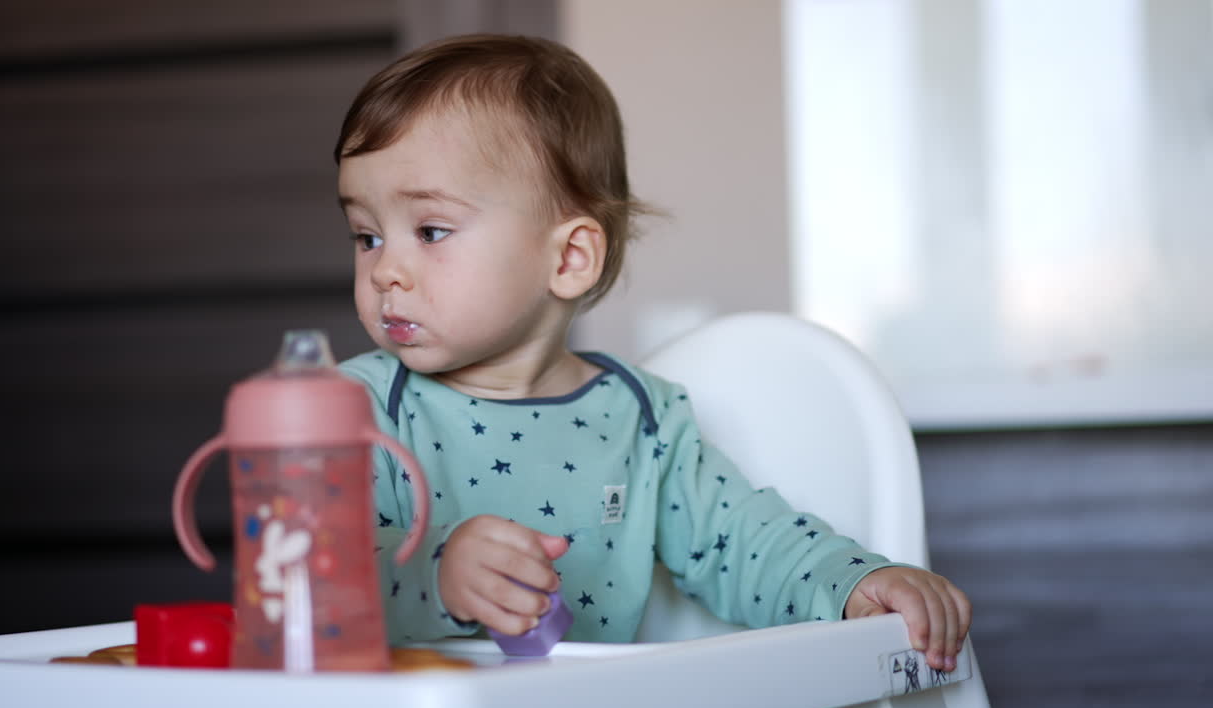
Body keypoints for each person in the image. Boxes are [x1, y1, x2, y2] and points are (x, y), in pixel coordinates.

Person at [333, 34, 970, 672]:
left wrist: (851, 583)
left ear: (569, 258)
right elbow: (314, 577)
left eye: (430, 230)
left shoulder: (643, 421)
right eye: (367, 236)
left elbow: (740, 539)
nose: (386, 269)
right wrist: (437, 573)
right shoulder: (352, 409)